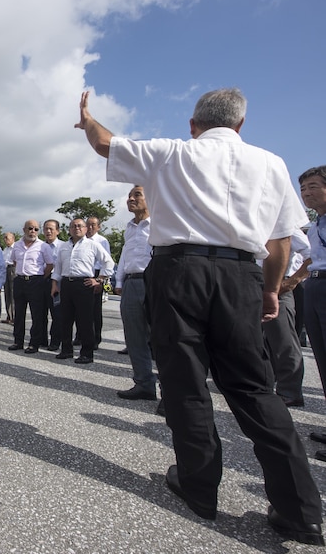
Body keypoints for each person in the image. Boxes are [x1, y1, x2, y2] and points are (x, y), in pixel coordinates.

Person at [76, 88, 323, 545]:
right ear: (240, 126)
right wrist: (270, 290)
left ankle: (199, 485)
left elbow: (104, 143)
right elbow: (281, 243)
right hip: (240, 273)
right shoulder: (270, 163)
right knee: (252, 386)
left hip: (178, 269)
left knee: (186, 380)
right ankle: (301, 509)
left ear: (193, 125)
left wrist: (88, 118)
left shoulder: (170, 153)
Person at [50, 218, 114, 364]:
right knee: (65, 319)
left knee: (85, 320)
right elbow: (58, 267)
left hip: (84, 284)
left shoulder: (93, 245)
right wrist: (55, 284)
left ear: (85, 229)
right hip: (66, 283)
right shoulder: (64, 246)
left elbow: (108, 262)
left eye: (79, 226)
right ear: (69, 229)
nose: (76, 228)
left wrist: (99, 279)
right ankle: (66, 350)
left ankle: (87, 353)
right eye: (73, 226)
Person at [113, 186, 155, 401]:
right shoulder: (129, 228)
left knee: (162, 339)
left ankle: (172, 393)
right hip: (131, 283)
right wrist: (119, 281)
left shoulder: (160, 223)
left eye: (137, 194)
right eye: (129, 195)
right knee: (134, 337)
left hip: (154, 284)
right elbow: (124, 256)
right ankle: (144, 384)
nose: (130, 199)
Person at [262, 228, 310, 408]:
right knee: (261, 341)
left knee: (284, 341)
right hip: (255, 282)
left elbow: (311, 255)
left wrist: (292, 282)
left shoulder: (285, 226)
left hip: (278, 286)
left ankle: (290, 391)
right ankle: (266, 383)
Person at [299, 167, 326, 463]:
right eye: (304, 188)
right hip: (316, 283)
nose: (307, 193)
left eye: (313, 186)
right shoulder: (316, 223)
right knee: (321, 356)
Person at [8, 220, 54, 354]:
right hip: (20, 281)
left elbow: (50, 265)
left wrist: (40, 277)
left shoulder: (43, 246)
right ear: (24, 230)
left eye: (36, 229)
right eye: (30, 228)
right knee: (19, 313)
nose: (33, 231)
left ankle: (34, 343)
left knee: (37, 314)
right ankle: (18, 341)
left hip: (36, 281)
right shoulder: (16, 245)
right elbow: (15, 261)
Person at [86, 216, 110, 348]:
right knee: (82, 308)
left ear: (98, 227)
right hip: (84, 274)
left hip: (96, 275)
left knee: (95, 309)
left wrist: (100, 281)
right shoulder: (81, 240)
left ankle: (96, 338)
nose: (90, 228)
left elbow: (106, 263)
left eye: (93, 225)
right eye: (88, 225)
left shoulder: (102, 241)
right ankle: (81, 335)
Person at [42, 219, 63, 351]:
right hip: (41, 280)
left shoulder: (63, 246)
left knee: (57, 313)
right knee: (40, 312)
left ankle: (55, 341)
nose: (48, 231)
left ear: (58, 231)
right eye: (46, 229)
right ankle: (41, 339)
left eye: (51, 229)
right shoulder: (39, 246)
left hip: (57, 281)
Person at [1, 231, 17, 324]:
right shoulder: (5, 249)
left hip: (13, 269)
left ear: (12, 239)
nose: (5, 240)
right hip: (6, 269)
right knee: (7, 293)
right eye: (5, 238)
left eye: (7, 238)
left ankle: (14, 316)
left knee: (13, 293)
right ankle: (9, 315)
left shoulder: (15, 248)